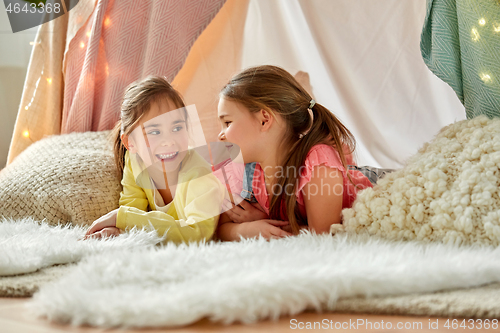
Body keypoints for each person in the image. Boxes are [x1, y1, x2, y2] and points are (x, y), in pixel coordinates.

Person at [216, 65, 373, 241]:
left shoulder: (317, 163)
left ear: (264, 120)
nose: (220, 135)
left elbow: (322, 235)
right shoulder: (244, 170)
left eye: (227, 122)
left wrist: (264, 220)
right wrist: (247, 230)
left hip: (374, 187)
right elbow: (220, 230)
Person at [84, 76, 226, 243]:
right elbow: (133, 209)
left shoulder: (200, 175)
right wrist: (118, 231)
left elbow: (197, 234)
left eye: (177, 128)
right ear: (130, 143)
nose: (169, 141)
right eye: (155, 132)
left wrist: (121, 217)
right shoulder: (135, 160)